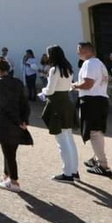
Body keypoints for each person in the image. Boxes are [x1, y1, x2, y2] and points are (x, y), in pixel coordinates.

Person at [41, 45, 80, 182]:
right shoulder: (68, 68)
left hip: (57, 103)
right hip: (66, 102)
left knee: (62, 141)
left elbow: (50, 90)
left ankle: (67, 173)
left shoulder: (54, 70)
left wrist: (43, 91)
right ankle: (74, 170)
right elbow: (69, 86)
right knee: (69, 138)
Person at [0, 58, 30, 193]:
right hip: (18, 122)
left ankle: (13, 180)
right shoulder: (18, 82)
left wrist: (18, 121)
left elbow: (4, 106)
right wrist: (24, 121)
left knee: (8, 152)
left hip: (5, 122)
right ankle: (6, 176)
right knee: (10, 151)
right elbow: (24, 103)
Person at [75, 42, 112, 177]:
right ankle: (97, 158)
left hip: (91, 100)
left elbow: (88, 84)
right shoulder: (100, 64)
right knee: (97, 131)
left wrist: (74, 86)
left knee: (94, 132)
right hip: (100, 99)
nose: (78, 53)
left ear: (85, 51)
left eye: (79, 51)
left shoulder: (89, 63)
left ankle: (103, 165)